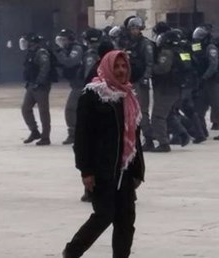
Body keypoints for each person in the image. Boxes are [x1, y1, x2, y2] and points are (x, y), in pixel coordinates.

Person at [63, 51, 146, 258]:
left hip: (125, 170)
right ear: (107, 67)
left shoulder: (128, 96)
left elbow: (134, 136)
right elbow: (82, 136)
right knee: (104, 215)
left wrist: (138, 170)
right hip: (103, 169)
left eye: (124, 66)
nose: (120, 71)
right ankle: (72, 251)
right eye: (116, 66)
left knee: (126, 220)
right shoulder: (93, 94)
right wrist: (86, 170)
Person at [192, 25, 219, 140]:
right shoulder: (199, 47)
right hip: (202, 82)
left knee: (217, 107)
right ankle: (201, 131)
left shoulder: (211, 48)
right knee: (199, 108)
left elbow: (213, 65)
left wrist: (204, 77)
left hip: (212, 82)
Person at [123, 16, 155, 151]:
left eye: (136, 28)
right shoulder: (128, 43)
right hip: (129, 81)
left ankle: (149, 139)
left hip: (140, 82)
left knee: (142, 112)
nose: (134, 31)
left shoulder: (145, 44)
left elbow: (149, 63)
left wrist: (146, 78)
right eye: (132, 28)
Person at [20, 33, 53, 146]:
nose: (24, 44)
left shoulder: (41, 52)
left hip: (40, 86)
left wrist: (39, 82)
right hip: (31, 84)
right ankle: (34, 131)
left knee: (43, 111)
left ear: (32, 42)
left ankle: (45, 137)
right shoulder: (31, 52)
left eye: (26, 41)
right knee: (25, 108)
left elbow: (45, 67)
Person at [55, 29, 86, 145]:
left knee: (70, 109)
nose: (62, 42)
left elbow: (70, 62)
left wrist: (61, 53)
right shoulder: (68, 49)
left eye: (64, 40)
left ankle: (73, 133)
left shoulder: (76, 48)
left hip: (81, 84)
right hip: (76, 83)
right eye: (61, 40)